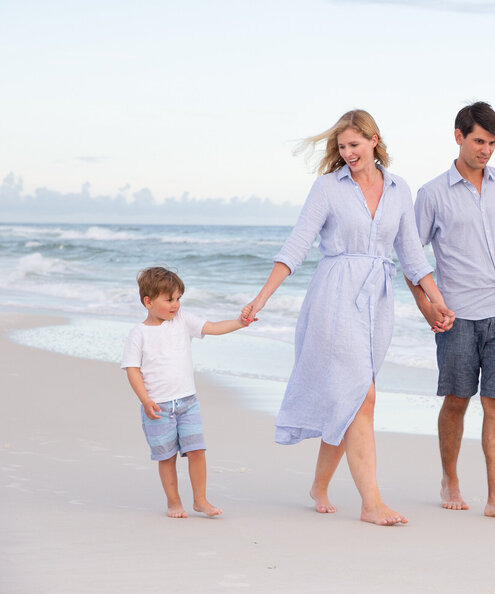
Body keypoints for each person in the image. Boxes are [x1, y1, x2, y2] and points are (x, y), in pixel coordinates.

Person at [242, 109, 452, 526]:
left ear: (374, 140)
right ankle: (371, 502)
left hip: (378, 300)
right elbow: (298, 243)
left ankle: (319, 485)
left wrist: (437, 301)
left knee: (350, 395)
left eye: (354, 145)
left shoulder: (398, 189)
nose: (348, 153)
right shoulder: (327, 188)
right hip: (334, 296)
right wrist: (262, 297)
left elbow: (412, 254)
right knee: (363, 395)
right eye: (341, 147)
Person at [408, 101, 495, 521]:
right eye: (479, 141)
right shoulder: (431, 194)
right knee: (457, 400)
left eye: (493, 143)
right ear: (459, 136)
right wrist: (426, 306)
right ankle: (449, 478)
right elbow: (411, 255)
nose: (486, 150)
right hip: (456, 315)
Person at [122, 266, 251, 518]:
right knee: (167, 458)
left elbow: (213, 327)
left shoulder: (183, 321)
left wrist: (239, 322)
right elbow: (132, 370)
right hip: (158, 408)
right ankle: (174, 503)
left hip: (188, 403)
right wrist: (145, 400)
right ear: (148, 302)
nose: (175, 305)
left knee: (197, 451)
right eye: (169, 299)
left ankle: (200, 500)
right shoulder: (139, 334)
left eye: (178, 298)